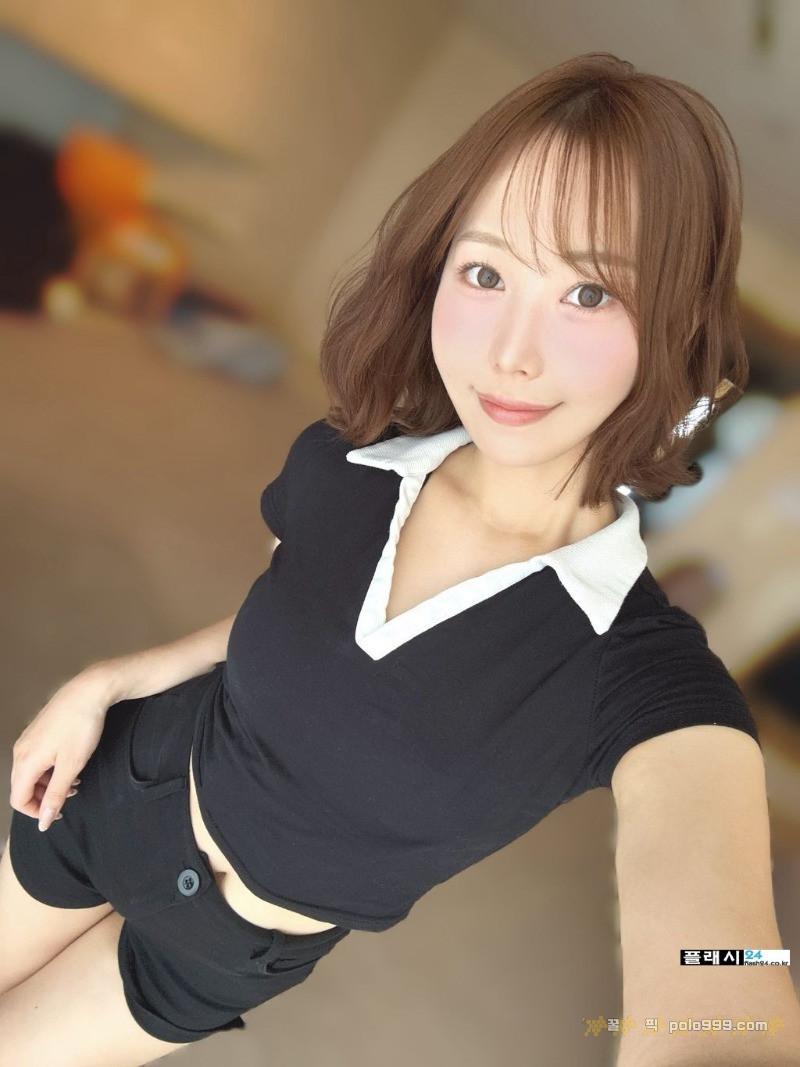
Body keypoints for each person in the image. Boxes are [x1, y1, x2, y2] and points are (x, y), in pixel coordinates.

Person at [2, 51, 799, 1065]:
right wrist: (114, 678)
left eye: (591, 292)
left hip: (211, 956)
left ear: (677, 327)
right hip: (118, 786)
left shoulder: (648, 684)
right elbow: (298, 614)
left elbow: (722, 987)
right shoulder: (344, 460)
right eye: (485, 273)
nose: (510, 351)